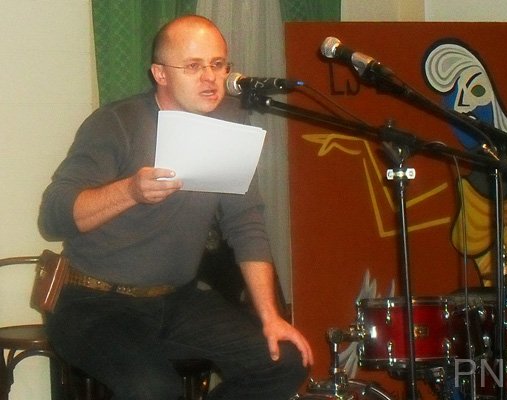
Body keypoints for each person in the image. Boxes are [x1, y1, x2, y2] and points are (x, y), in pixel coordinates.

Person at [38, 15, 313, 400]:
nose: (210, 78)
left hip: (175, 299)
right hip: (93, 303)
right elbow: (52, 217)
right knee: (154, 390)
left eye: (218, 64)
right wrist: (130, 191)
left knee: (285, 360)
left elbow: (246, 223)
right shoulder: (116, 123)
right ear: (160, 74)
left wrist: (271, 317)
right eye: (194, 66)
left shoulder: (228, 125)